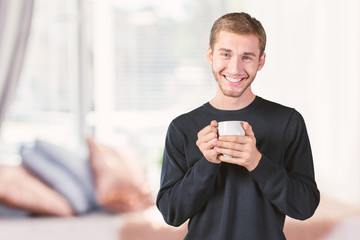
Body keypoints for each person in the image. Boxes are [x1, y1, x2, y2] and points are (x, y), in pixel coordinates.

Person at [156, 12, 320, 239]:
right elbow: (171, 213)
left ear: (260, 61)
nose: (235, 69)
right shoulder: (182, 127)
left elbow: (305, 207)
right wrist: (207, 164)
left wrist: (256, 162)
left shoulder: (288, 122)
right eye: (225, 54)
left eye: (247, 57)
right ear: (210, 55)